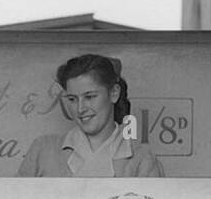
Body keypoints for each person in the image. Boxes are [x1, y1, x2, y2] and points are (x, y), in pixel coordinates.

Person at [16, 54, 165, 178]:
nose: (80, 109)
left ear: (114, 93)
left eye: (90, 97)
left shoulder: (141, 159)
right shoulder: (43, 149)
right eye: (72, 99)